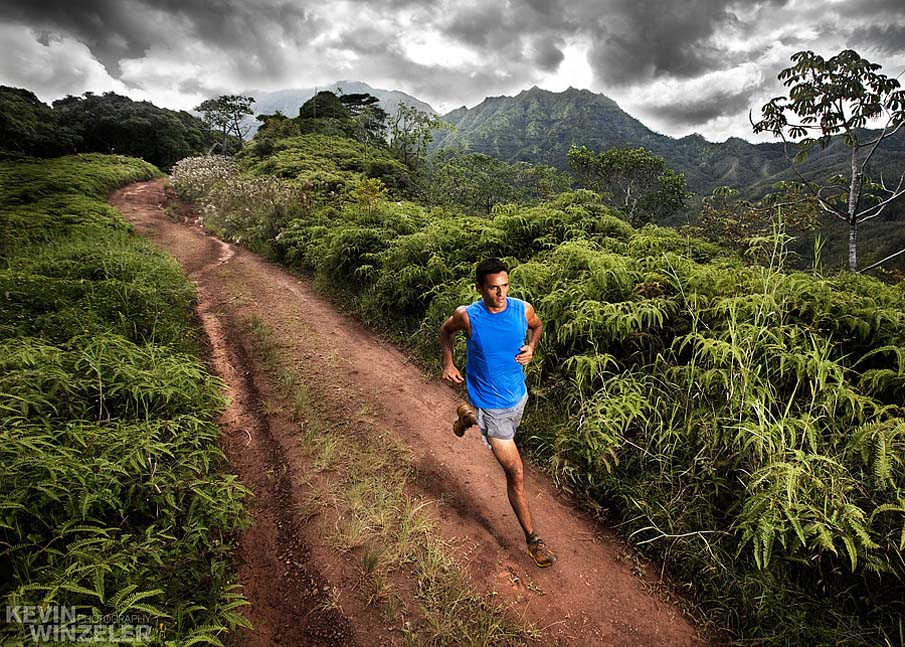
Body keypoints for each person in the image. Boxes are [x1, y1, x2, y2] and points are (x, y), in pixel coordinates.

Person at [439, 258, 556, 568]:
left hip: (518, 396)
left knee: (493, 430)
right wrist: (448, 363)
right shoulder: (468, 317)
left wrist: (532, 347)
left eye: (504, 286)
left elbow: (538, 326)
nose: (501, 294)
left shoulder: (522, 309)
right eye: (493, 288)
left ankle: (467, 417)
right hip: (491, 404)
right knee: (515, 472)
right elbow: (445, 331)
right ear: (480, 288)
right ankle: (533, 539)